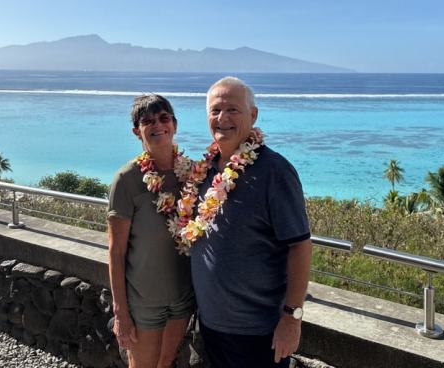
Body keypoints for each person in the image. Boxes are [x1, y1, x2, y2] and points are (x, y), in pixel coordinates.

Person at [190, 77, 312, 368]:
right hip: (211, 325)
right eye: (215, 110)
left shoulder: (275, 172)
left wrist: (291, 318)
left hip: (259, 332)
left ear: (253, 115)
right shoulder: (202, 172)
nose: (223, 118)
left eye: (233, 109)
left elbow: (300, 246)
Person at [107, 94, 195, 368]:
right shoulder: (127, 180)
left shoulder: (192, 173)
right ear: (137, 131)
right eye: (148, 121)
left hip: (182, 296)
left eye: (164, 118)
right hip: (143, 302)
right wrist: (121, 313)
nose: (158, 125)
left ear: (175, 125)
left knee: (166, 361)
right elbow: (116, 251)